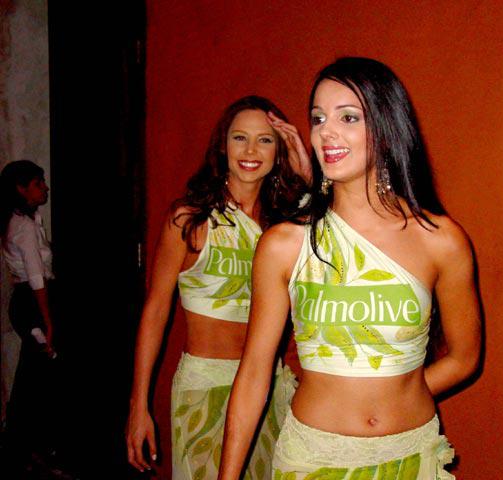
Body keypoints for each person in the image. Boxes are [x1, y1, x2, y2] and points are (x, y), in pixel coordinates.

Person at [219, 58, 482, 480]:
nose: (326, 132)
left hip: (411, 454)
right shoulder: (285, 245)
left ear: (386, 127)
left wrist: (396, 395)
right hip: (314, 458)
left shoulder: (440, 240)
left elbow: (465, 357)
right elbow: (253, 375)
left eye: (348, 117)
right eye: (318, 118)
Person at [126, 95, 311, 479]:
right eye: (239, 137)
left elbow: (335, 236)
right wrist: (138, 405)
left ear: (279, 152)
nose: (250, 150)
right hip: (205, 386)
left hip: (267, 389)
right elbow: (156, 310)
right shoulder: (190, 219)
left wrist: (306, 174)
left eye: (265, 140)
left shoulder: (284, 226)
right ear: (222, 145)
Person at [0, 159, 58, 472]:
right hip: (32, 303)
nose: (45, 188)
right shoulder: (22, 226)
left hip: (31, 302)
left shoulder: (28, 219)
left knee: (34, 377)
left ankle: (26, 447)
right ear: (21, 189)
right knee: (34, 380)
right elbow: (36, 278)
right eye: (38, 183)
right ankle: (22, 448)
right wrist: (48, 321)